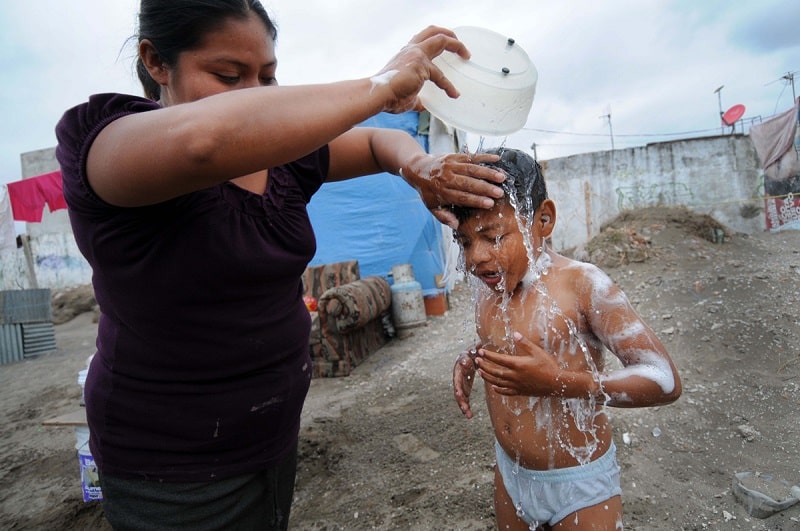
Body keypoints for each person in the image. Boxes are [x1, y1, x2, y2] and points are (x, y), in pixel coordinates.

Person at [54, 1, 508, 529]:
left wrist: (419, 165)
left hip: (274, 441)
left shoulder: (282, 156)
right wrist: (379, 85)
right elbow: (204, 141)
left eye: (267, 78)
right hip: (174, 472)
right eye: (229, 75)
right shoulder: (110, 144)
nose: (253, 94)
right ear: (156, 61)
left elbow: (378, 141)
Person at [450, 148, 682, 530]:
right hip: (511, 475)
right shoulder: (489, 291)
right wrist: (474, 355)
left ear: (543, 220)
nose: (476, 257)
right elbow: (512, 344)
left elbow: (664, 381)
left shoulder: (582, 285)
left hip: (578, 482)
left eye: (493, 236)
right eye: (464, 242)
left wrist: (558, 383)